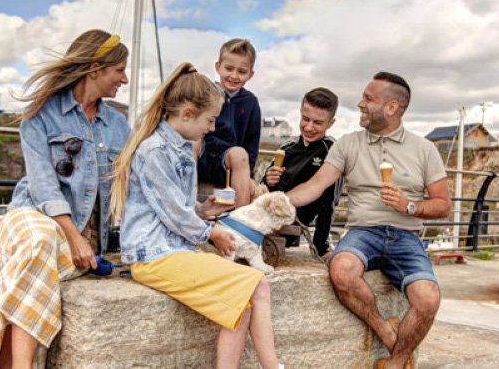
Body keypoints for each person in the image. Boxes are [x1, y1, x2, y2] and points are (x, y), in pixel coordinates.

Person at [110, 63, 283, 369]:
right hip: (153, 255)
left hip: (172, 250)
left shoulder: (181, 148)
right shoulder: (154, 151)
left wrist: (205, 212)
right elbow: (174, 214)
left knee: (241, 303)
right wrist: (211, 232)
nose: (213, 128)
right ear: (187, 113)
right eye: (210, 119)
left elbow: (179, 209)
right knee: (258, 284)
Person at [0, 29, 130, 368]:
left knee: (36, 270)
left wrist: (197, 212)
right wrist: (74, 237)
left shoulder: (118, 126)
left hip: (79, 236)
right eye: (119, 70)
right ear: (95, 68)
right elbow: (42, 185)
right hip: (30, 215)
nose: (124, 79)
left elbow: (134, 184)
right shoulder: (41, 113)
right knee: (40, 241)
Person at [287, 72, 450, 369]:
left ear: (391, 108)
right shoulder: (348, 144)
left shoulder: (425, 149)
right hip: (364, 232)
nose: (360, 104)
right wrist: (275, 202)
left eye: (368, 99)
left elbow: (443, 206)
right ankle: (387, 333)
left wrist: (410, 206)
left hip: (406, 235)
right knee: (342, 269)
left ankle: (396, 362)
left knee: (429, 299)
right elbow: (316, 186)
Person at [261, 87, 343, 261]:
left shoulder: (333, 152)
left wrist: (321, 247)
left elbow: (329, 205)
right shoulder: (286, 148)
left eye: (318, 122)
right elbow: (263, 189)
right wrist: (269, 180)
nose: (309, 127)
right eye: (305, 119)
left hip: (291, 225)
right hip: (268, 216)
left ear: (331, 123)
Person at [195, 38, 261, 207]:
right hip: (201, 156)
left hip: (227, 164)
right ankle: (188, 206)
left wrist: (249, 177)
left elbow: (251, 143)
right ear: (218, 67)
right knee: (193, 142)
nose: (234, 76)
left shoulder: (250, 102)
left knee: (240, 154)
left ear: (250, 74)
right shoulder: (204, 92)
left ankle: (239, 219)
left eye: (242, 71)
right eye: (229, 69)